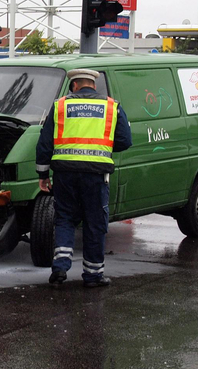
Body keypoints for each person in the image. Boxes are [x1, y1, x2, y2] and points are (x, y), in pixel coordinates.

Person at [36, 69, 132, 288]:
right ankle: (93, 275)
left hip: (64, 173)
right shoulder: (111, 106)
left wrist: (42, 175)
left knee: (65, 218)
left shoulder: (60, 106)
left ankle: (60, 267)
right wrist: (102, 146)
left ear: (74, 86)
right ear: (93, 85)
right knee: (95, 222)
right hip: (96, 174)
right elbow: (125, 140)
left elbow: (44, 143)